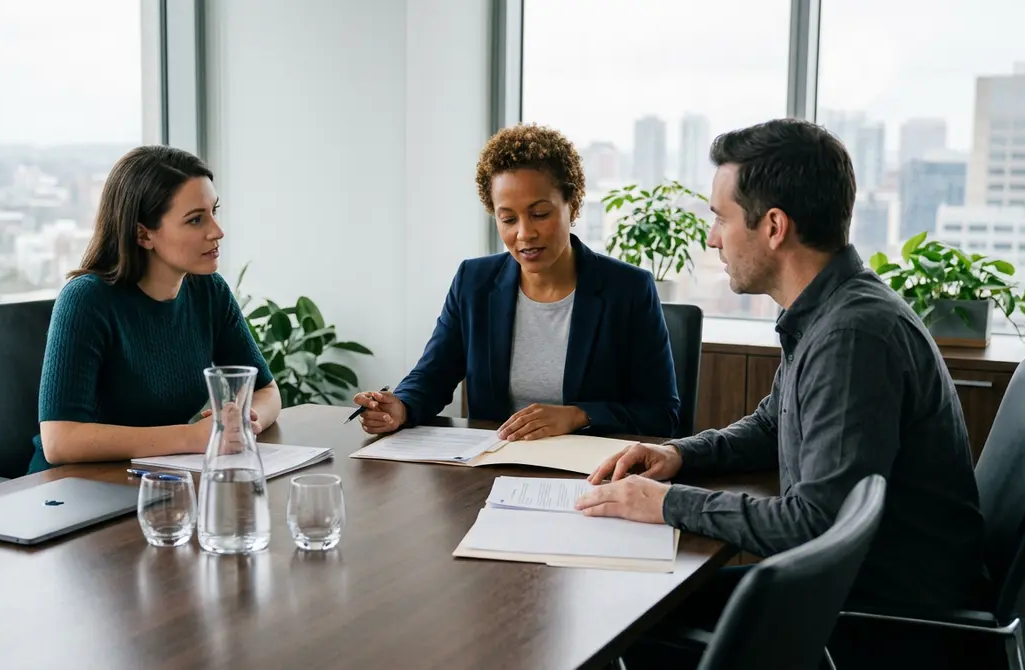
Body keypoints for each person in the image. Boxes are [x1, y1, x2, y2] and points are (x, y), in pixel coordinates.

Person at [574, 119, 987, 667]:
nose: (711, 237)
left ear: (773, 226)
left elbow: (814, 524)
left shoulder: (851, 336)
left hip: (886, 620)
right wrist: (677, 455)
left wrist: (668, 504)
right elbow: (773, 424)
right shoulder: (830, 311)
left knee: (629, 623)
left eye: (720, 218)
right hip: (863, 591)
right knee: (642, 605)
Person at [353, 123, 680, 440]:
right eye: (508, 218)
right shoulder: (474, 282)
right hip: (493, 467)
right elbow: (432, 376)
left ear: (574, 205)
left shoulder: (628, 289)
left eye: (540, 214)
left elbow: (662, 415)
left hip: (588, 474)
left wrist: (579, 415)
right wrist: (401, 406)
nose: (524, 233)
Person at [27, 145, 280, 473]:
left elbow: (266, 390)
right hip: (73, 492)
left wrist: (246, 421)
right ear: (143, 234)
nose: (217, 231)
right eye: (195, 220)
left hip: (156, 479)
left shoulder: (209, 291)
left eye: (214, 211)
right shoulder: (86, 300)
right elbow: (60, 440)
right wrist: (191, 437)